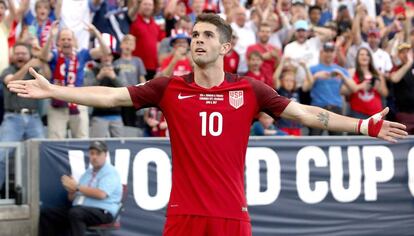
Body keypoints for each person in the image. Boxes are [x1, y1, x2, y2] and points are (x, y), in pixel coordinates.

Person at [9, 13, 407, 235]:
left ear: (226, 46)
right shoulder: (168, 87)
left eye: (206, 35)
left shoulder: (250, 90)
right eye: (194, 35)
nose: (197, 40)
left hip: (232, 216)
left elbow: (305, 114)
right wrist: (54, 90)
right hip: (183, 215)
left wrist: (362, 127)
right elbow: (110, 95)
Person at [38, 140, 122, 236]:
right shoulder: (87, 173)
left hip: (103, 211)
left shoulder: (110, 172)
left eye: (98, 154)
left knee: (76, 213)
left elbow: (101, 194)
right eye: (92, 154)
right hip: (81, 208)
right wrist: (71, 190)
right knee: (47, 213)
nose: (94, 157)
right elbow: (72, 198)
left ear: (105, 155)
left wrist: (77, 187)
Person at [0, 42, 48, 192]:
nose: (20, 56)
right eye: (17, 53)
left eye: (23, 53)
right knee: (2, 156)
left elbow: (48, 77)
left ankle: (41, 194)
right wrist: (28, 66)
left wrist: (41, 59)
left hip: (33, 118)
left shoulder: (34, 70)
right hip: (12, 118)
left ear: (29, 55)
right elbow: (11, 82)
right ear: (13, 56)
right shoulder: (7, 69)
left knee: (42, 155)